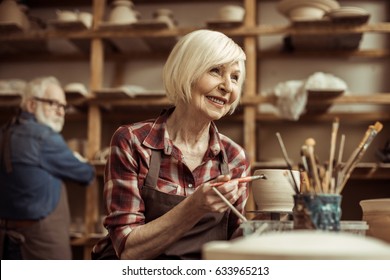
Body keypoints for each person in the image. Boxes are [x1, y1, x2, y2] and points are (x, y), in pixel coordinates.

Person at [92, 29, 250, 260]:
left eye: (235, 77)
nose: (228, 86)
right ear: (186, 72)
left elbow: (235, 243)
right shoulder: (133, 142)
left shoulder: (234, 156)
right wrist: (194, 207)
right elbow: (128, 250)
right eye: (215, 71)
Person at [0, 76, 95, 259]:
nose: (61, 112)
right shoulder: (44, 138)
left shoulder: (4, 132)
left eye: (63, 106)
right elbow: (86, 174)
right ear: (31, 105)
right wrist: (77, 160)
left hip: (5, 241)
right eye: (53, 104)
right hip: (39, 244)